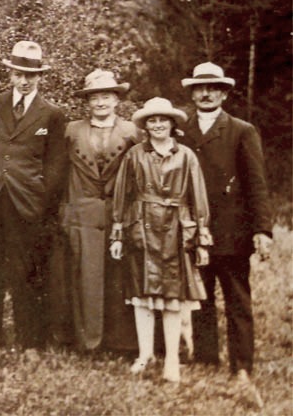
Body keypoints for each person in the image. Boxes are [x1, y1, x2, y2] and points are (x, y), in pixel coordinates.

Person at [179, 62, 272, 392]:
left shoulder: (241, 130)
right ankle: (206, 359)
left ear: (223, 93)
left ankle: (242, 365)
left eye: (213, 88)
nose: (205, 93)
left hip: (233, 231)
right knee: (200, 296)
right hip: (194, 231)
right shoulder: (181, 130)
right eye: (200, 88)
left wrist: (262, 229)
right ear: (192, 93)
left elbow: (256, 184)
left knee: (236, 299)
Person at [0, 41, 67, 349]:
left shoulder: (52, 114)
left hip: (26, 204)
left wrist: (40, 200)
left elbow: (55, 166)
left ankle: (30, 341)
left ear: (40, 77)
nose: (24, 81)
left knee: (26, 272)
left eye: (31, 75)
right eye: (19, 74)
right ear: (10, 74)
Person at [109, 97, 212, 382]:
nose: (157, 125)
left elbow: (198, 198)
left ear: (172, 123)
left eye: (162, 120)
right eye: (152, 120)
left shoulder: (186, 155)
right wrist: (118, 234)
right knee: (142, 297)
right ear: (145, 125)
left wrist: (202, 238)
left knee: (172, 299)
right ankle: (145, 355)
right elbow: (122, 195)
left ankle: (172, 360)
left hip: (176, 232)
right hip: (141, 228)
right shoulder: (135, 156)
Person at [49, 69, 140, 352]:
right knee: (82, 278)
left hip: (118, 214)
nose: (100, 102)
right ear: (86, 102)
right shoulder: (72, 131)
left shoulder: (132, 131)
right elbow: (58, 172)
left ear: (117, 100)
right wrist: (64, 211)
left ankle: (121, 342)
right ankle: (84, 340)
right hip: (81, 215)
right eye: (94, 98)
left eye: (106, 96)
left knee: (118, 277)